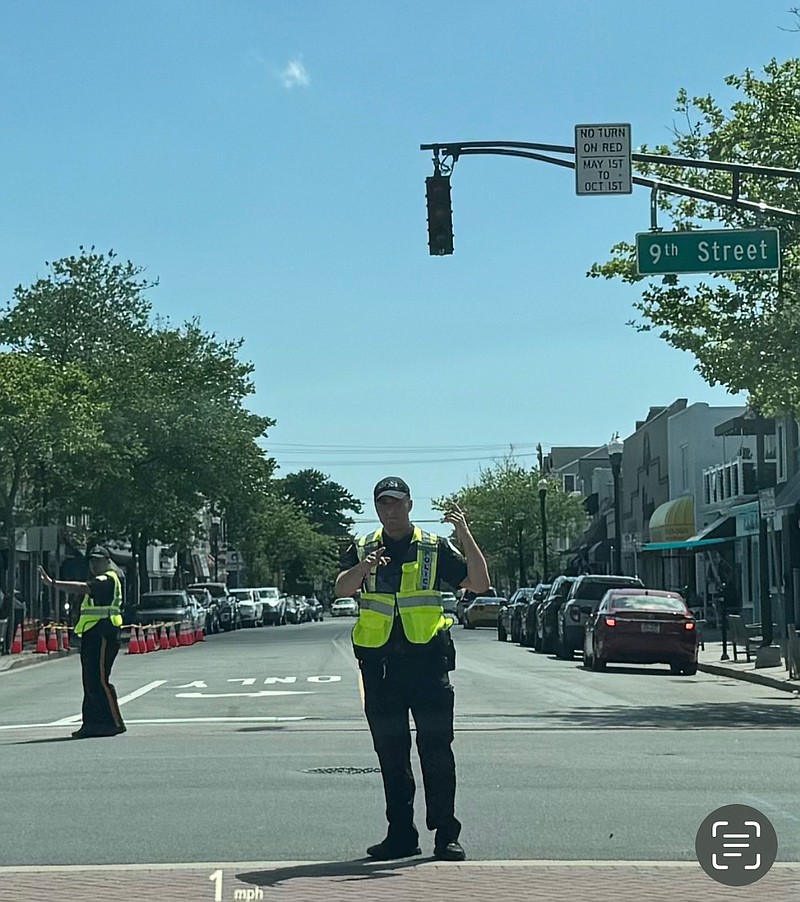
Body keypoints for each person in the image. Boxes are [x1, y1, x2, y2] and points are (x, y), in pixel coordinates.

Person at [336, 477, 490, 862]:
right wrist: (364, 566)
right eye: (383, 503)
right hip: (381, 666)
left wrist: (465, 534)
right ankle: (401, 834)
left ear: (409, 505)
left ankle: (446, 834)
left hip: (427, 664)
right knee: (391, 753)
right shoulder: (363, 547)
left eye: (397, 503)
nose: (391, 510)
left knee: (437, 751)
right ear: (376, 507)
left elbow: (480, 583)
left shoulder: (434, 547)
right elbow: (341, 590)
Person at [38, 545, 126, 739]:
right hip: (93, 633)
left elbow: (83, 588)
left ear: (107, 561)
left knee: (100, 680)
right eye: (91, 560)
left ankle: (113, 723)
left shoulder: (107, 579)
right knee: (90, 680)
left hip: (103, 633)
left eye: (97, 560)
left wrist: (53, 583)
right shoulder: (103, 578)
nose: (94, 564)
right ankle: (93, 724)